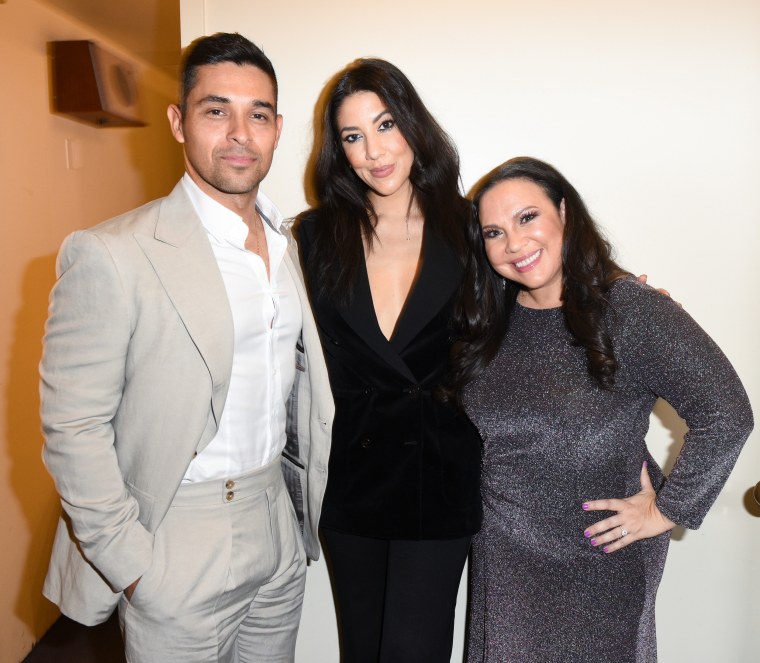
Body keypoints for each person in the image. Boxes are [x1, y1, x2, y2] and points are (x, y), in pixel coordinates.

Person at [40, 32, 333, 662]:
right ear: (179, 122)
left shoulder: (291, 248)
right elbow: (72, 425)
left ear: (278, 130)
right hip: (178, 536)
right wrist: (134, 564)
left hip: (275, 522)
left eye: (258, 115)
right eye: (215, 110)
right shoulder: (113, 253)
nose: (238, 133)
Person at [448, 156, 754, 662]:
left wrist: (668, 509)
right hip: (505, 562)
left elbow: (726, 412)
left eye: (528, 218)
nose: (515, 244)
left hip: (600, 561)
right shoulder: (487, 320)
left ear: (564, 213)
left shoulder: (630, 308)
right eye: (494, 233)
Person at [295, 59, 482, 662]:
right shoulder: (313, 237)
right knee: (362, 649)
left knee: (414, 652)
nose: (374, 151)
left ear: (413, 126)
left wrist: (618, 293)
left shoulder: (471, 227)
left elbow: (543, 295)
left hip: (440, 475)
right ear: (339, 151)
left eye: (385, 125)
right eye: (353, 136)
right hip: (352, 477)